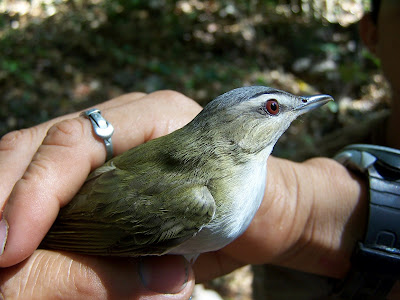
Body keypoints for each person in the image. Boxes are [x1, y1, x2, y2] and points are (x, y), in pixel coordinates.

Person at [0, 0, 398, 299]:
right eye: (273, 108)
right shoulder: (196, 202)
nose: (302, 106)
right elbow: (68, 231)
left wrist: (303, 215)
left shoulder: (232, 186)